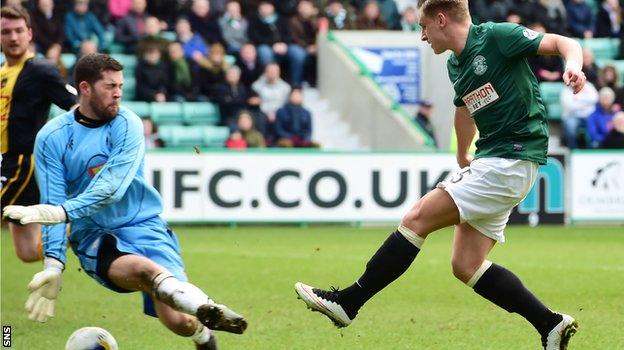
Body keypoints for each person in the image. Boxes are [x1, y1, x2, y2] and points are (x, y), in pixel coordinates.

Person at [295, 1, 585, 349]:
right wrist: (464, 152)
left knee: (416, 218)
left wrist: (574, 67)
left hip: (511, 158)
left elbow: (565, 43)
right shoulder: (455, 63)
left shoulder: (497, 36)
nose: (421, 35)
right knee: (466, 265)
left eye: (423, 26)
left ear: (441, 20)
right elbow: (465, 108)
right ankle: (550, 324)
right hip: (496, 161)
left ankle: (348, 302)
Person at [2, 53, 247, 350]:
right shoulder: (51, 137)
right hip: (94, 235)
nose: (118, 93)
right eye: (110, 86)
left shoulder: (127, 123)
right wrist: (53, 264)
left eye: (120, 85)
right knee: (146, 271)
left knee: (179, 322)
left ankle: (204, 333)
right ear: (85, 88)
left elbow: (109, 189)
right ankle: (206, 306)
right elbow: (52, 201)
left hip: (144, 225)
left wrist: (62, 211)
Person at [0, 6, 77, 263]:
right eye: (5, 32)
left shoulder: (40, 69)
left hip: (23, 162)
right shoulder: (2, 73)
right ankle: (80, 229)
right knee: (27, 252)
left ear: (30, 34)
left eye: (18, 31)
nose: (13, 37)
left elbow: (75, 104)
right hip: (6, 160)